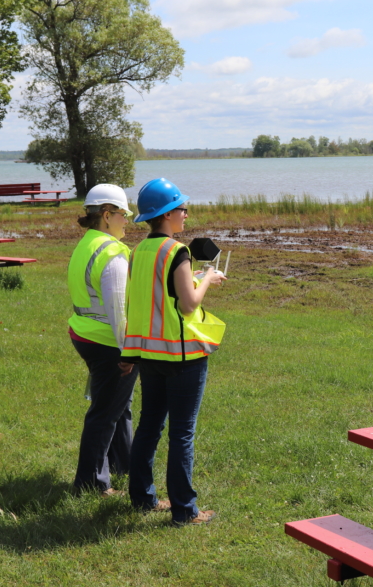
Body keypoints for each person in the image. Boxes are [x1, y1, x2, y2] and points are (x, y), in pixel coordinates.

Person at [124, 178, 226, 525]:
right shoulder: (177, 251)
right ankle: (185, 511)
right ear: (167, 214)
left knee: (149, 426)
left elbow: (155, 293)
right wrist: (208, 279)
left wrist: (192, 277)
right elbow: (187, 305)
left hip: (150, 354)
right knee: (182, 432)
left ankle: (142, 498)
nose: (186, 213)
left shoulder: (140, 251)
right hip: (182, 357)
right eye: (182, 208)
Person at [66, 183, 138, 496]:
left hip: (86, 334)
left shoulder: (87, 243)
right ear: (107, 215)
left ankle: (124, 464)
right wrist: (128, 352)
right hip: (108, 343)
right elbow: (118, 310)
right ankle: (91, 484)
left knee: (119, 408)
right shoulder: (112, 254)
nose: (128, 220)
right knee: (106, 413)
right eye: (124, 214)